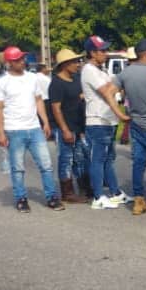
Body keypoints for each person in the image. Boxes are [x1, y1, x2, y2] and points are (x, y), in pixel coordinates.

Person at [0, 45, 61, 212]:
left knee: (46, 165)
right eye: (18, 60)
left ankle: (51, 197)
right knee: (17, 168)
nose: (22, 62)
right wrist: (1, 133)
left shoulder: (32, 78)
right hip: (14, 130)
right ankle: (21, 198)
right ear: (10, 62)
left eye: (22, 58)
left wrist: (45, 122)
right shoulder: (3, 82)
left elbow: (38, 100)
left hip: (34, 128)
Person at [113, 38, 146, 216]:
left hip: (135, 123)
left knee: (139, 163)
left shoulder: (125, 74)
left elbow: (106, 91)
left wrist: (119, 114)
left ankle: (138, 200)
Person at [81, 35, 131, 209]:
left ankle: (115, 192)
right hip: (98, 120)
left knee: (109, 158)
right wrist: (121, 114)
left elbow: (114, 89)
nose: (106, 53)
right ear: (92, 53)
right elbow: (107, 93)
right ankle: (98, 196)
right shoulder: (89, 70)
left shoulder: (101, 70)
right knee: (99, 159)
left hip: (108, 119)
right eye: (102, 50)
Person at [48, 48, 91, 203]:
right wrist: (65, 130)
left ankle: (84, 188)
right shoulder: (57, 83)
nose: (78, 64)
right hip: (65, 127)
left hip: (78, 126)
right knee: (66, 158)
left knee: (80, 158)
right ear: (65, 64)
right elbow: (56, 108)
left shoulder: (76, 79)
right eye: (74, 62)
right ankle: (67, 193)